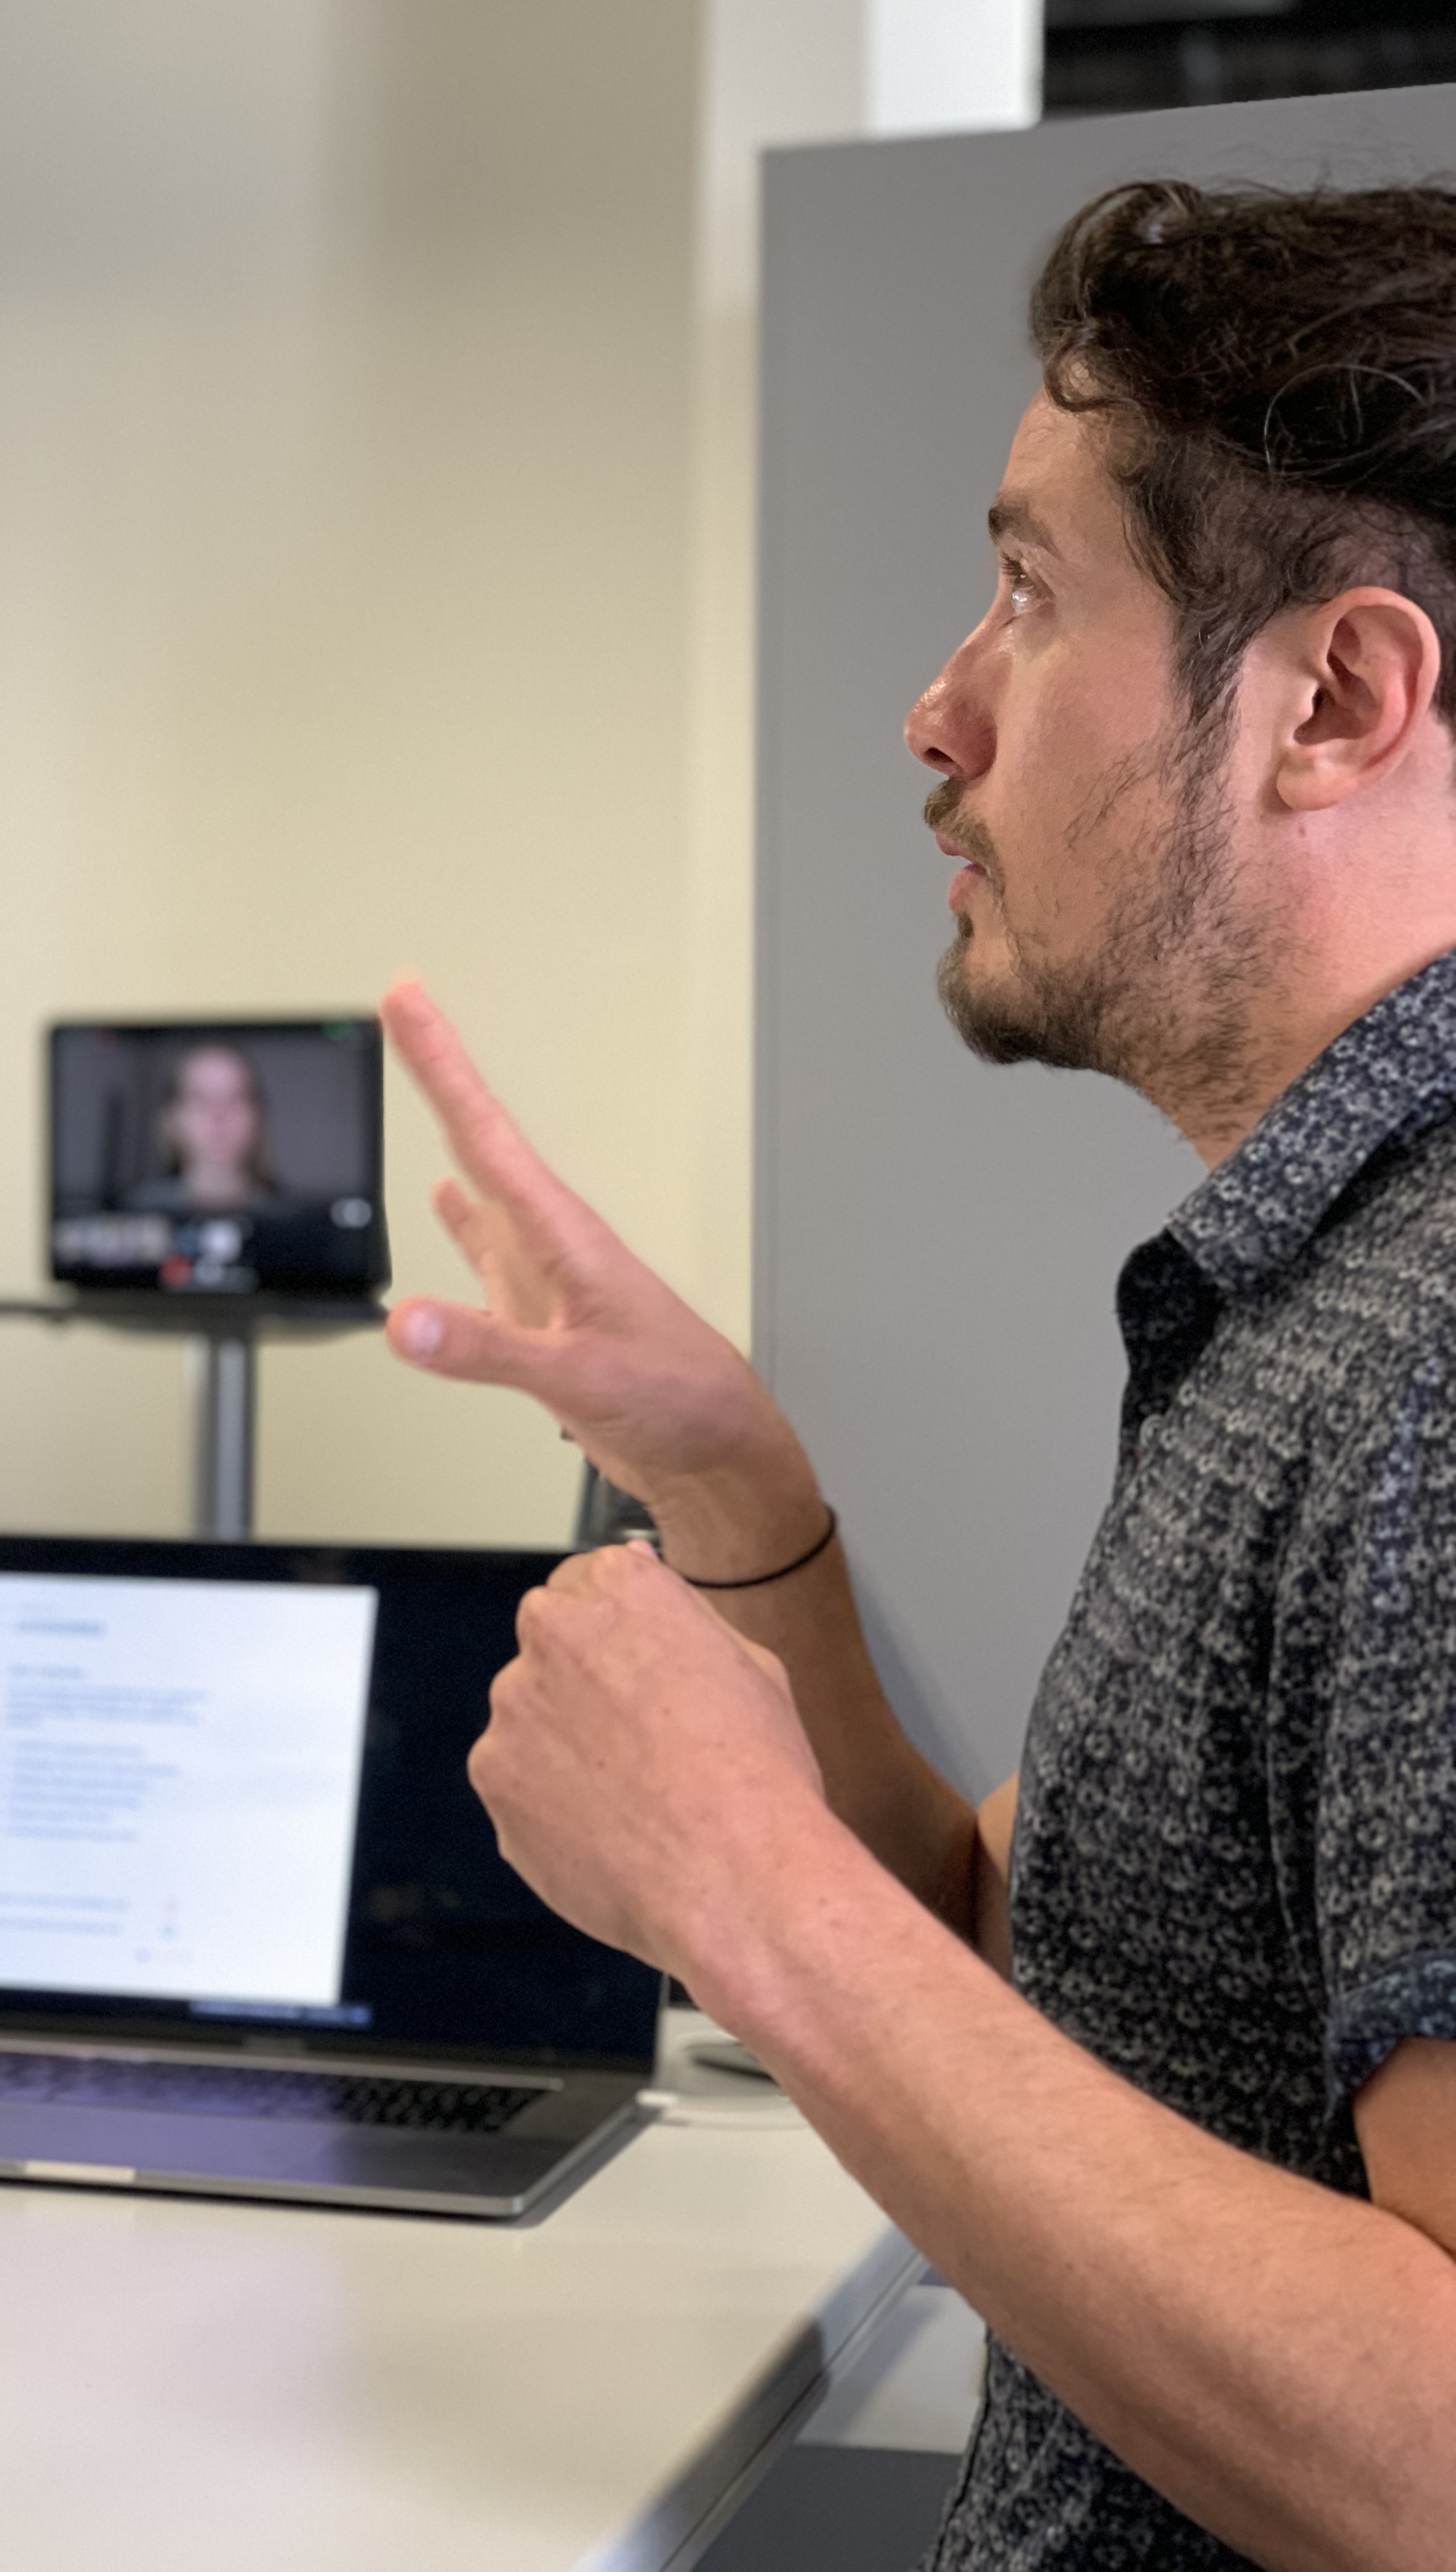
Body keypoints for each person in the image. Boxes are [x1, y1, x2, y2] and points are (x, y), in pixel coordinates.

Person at [380, 181, 1456, 2571]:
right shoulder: (1313, 1288)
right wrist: (731, 1487)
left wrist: (751, 1895)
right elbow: (1042, 1970)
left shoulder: (1435, 1356)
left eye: (1026, 588)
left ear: (1330, 701)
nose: (933, 704)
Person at [124, 1042, 280, 1215]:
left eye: (236, 1097)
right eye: (200, 1098)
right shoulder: (134, 1216)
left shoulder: (288, 1220)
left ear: (257, 1114)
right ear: (171, 1117)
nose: (219, 1115)